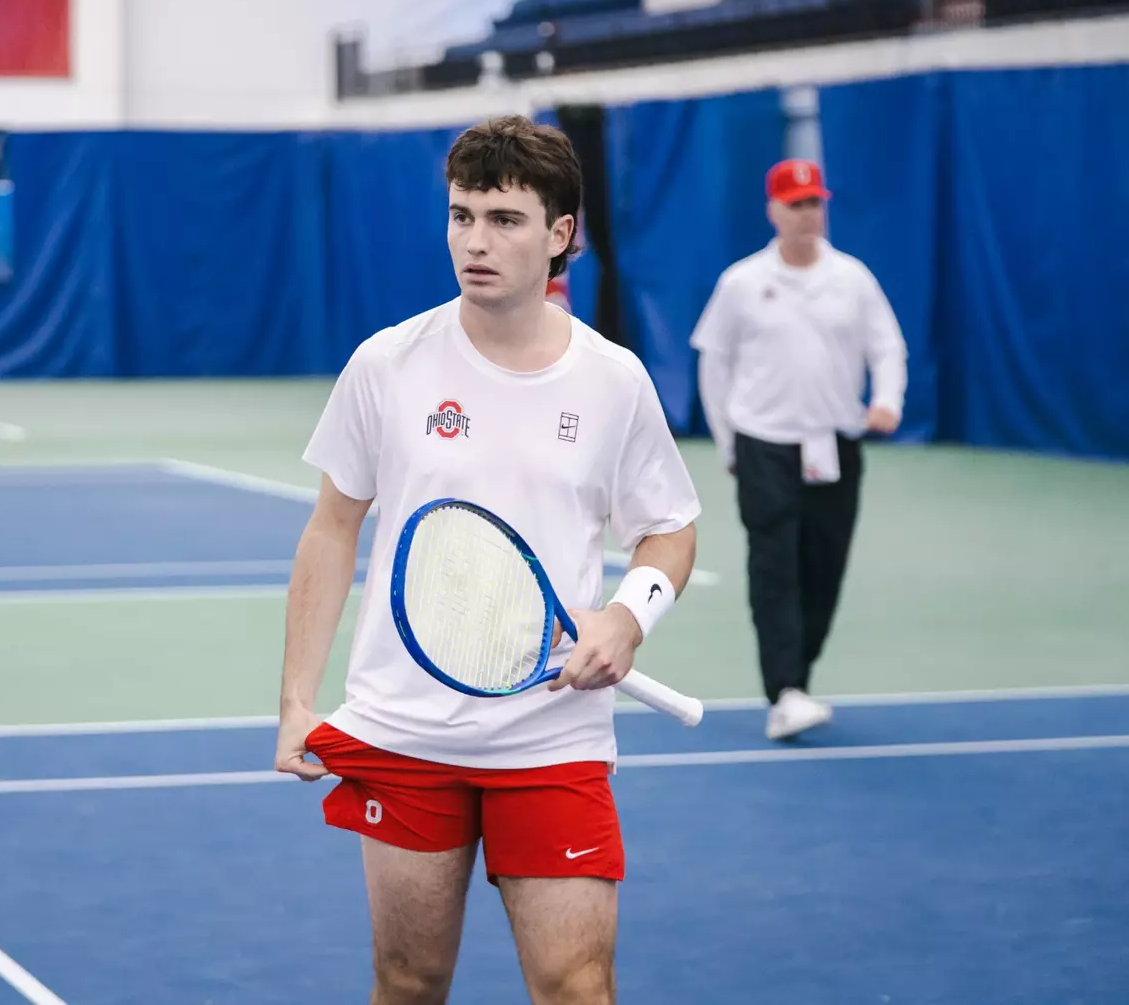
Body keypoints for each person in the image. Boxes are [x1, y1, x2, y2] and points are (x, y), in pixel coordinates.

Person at [274, 115, 701, 1005]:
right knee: (410, 980)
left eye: (504, 219)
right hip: (406, 727)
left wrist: (630, 616)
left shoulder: (613, 379)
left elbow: (668, 526)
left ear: (560, 235)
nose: (475, 240)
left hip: (555, 735)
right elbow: (331, 528)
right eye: (462, 215)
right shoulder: (386, 365)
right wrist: (296, 704)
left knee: (578, 985)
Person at [690, 158, 907, 741]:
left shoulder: (852, 279)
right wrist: (730, 441)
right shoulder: (742, 283)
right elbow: (715, 363)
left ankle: (797, 680)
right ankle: (783, 691)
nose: (808, 214)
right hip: (765, 446)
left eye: (815, 203)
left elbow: (887, 346)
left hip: (836, 445)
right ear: (774, 211)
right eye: (796, 204)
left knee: (823, 569)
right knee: (774, 567)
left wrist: (887, 399)